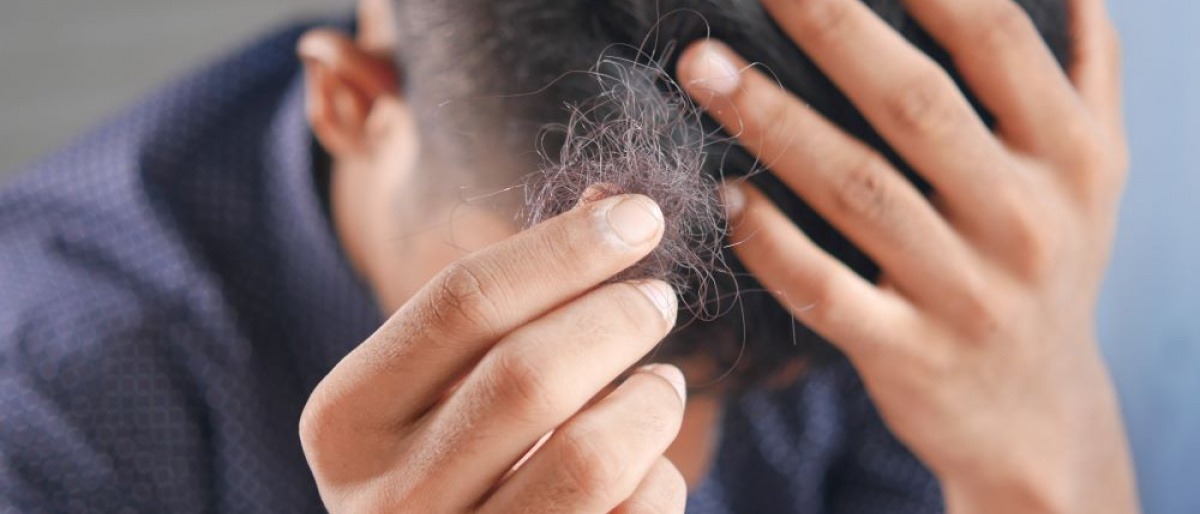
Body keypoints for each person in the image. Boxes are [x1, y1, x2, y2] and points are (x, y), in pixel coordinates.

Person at [0, 0, 1137, 512]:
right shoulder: (49, 421)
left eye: (744, 373)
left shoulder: (922, 282)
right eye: (550, 320)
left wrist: (1053, 463)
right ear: (350, 101)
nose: (657, 478)